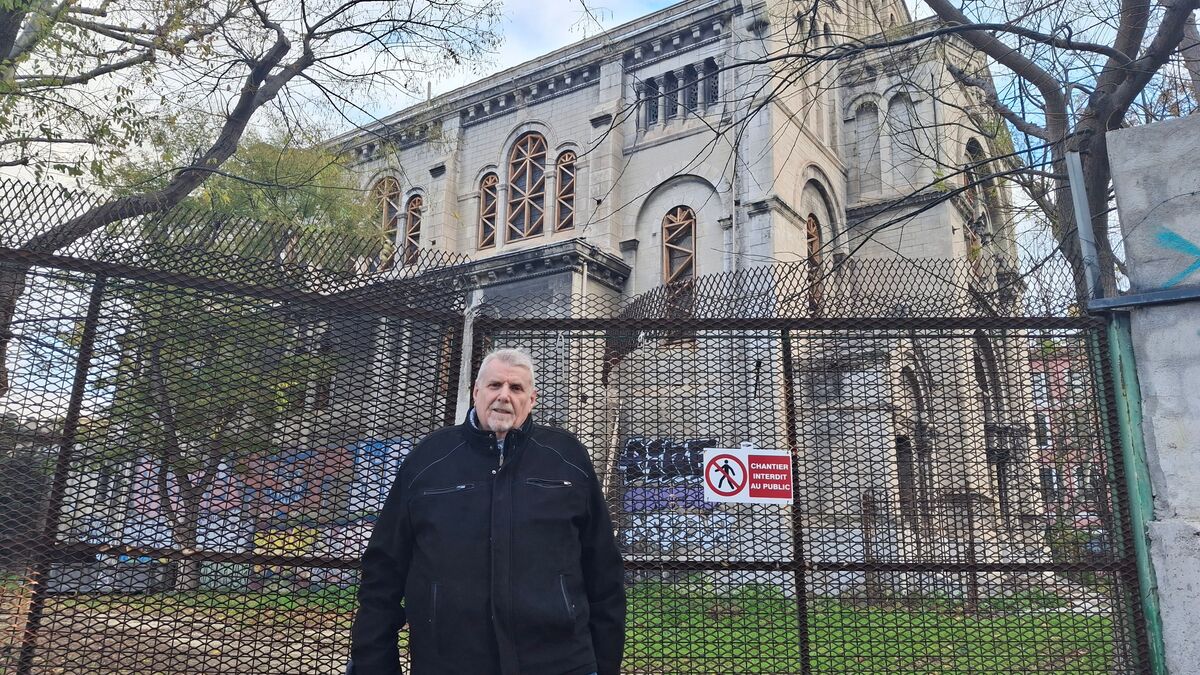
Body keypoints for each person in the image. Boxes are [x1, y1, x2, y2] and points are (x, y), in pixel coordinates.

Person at [350, 348, 626, 675]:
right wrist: (374, 663)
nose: (504, 396)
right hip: (449, 662)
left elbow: (603, 570)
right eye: (495, 385)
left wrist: (605, 664)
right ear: (476, 392)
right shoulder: (428, 460)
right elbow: (384, 568)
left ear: (532, 399)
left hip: (559, 661)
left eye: (516, 388)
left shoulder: (567, 457)